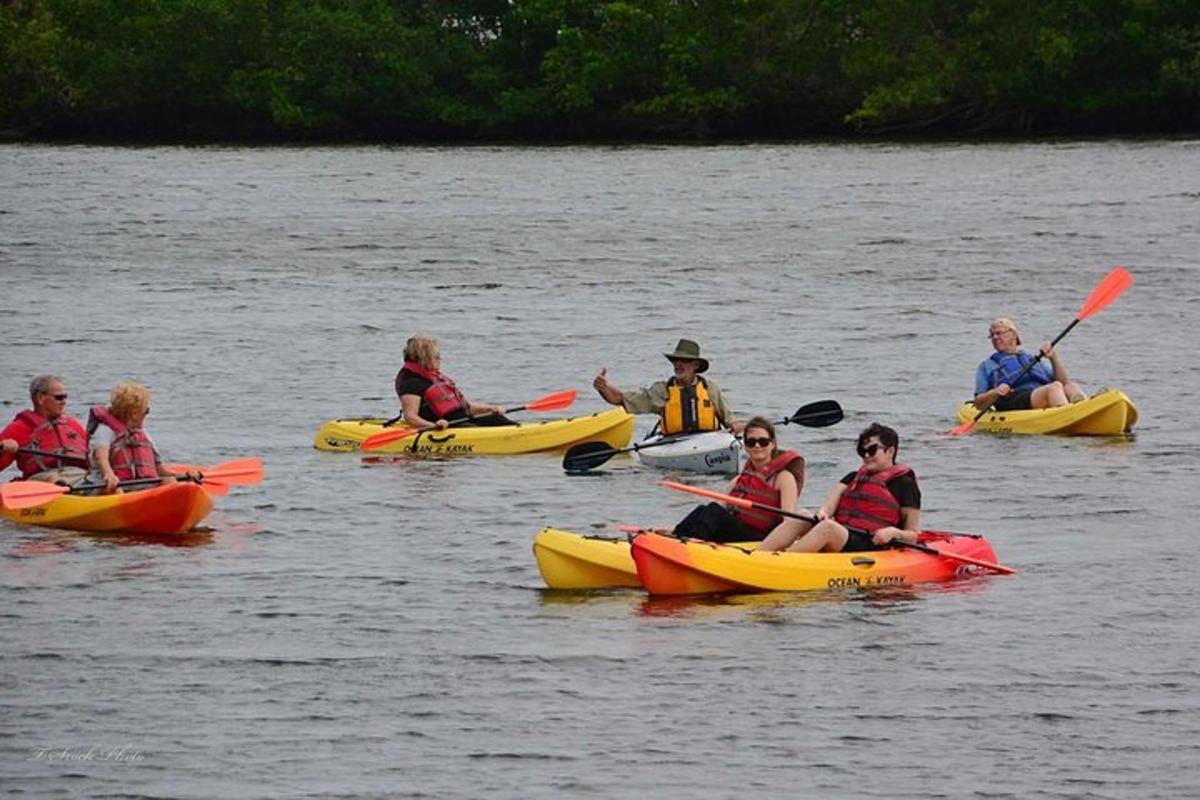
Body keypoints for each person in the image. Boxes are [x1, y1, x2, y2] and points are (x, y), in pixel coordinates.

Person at [757, 423, 920, 553]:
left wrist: (892, 532)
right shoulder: (852, 477)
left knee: (828, 528)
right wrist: (822, 513)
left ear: (890, 451)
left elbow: (912, 535)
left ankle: (781, 563)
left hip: (870, 544)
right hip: (844, 536)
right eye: (862, 451)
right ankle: (758, 555)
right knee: (803, 515)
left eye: (871, 450)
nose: (866, 456)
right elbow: (827, 508)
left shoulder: (904, 484)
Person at [671, 416, 804, 543]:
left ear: (773, 444)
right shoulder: (739, 480)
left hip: (760, 538)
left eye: (763, 442)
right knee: (702, 509)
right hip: (735, 532)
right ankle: (676, 535)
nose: (757, 446)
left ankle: (692, 543)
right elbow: (719, 505)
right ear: (745, 446)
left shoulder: (784, 478)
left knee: (713, 511)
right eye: (751, 442)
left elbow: (789, 522)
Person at [593, 338, 743, 435]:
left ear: (695, 365)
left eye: (684, 361)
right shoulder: (661, 390)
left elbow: (730, 420)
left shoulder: (710, 388)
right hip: (673, 444)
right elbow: (621, 399)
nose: (678, 365)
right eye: (675, 361)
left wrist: (735, 426)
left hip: (707, 442)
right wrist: (603, 388)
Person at [395, 336, 512, 431]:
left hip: (462, 420)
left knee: (495, 418)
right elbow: (410, 416)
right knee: (471, 430)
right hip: (447, 426)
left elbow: (463, 407)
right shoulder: (411, 381)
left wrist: (490, 408)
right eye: (436, 357)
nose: (440, 360)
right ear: (424, 358)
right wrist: (433, 426)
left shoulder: (433, 377)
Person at [87, 382, 184, 493]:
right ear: (134, 413)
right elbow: (101, 457)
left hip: (140, 486)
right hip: (110, 485)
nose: (147, 414)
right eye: (146, 410)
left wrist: (179, 477)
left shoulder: (141, 433)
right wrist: (109, 474)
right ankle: (123, 507)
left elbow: (159, 468)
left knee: (169, 481)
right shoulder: (105, 431)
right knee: (116, 489)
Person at [973, 317, 1086, 412]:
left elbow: (1062, 382)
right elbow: (978, 403)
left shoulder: (1031, 359)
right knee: (1054, 387)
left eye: (999, 333)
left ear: (1014, 335)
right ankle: (1068, 415)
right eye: (992, 335)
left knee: (1071, 386)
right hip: (1013, 398)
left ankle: (1083, 410)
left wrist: (1053, 358)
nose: (995, 337)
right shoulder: (987, 365)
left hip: (1038, 393)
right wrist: (994, 392)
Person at [0, 375, 89, 485]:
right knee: (53, 478)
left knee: (103, 478)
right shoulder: (17, 429)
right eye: (59, 397)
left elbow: (93, 453)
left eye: (65, 397)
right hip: (43, 479)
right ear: (40, 398)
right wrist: (3, 450)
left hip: (79, 475)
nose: (64, 401)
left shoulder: (72, 425)